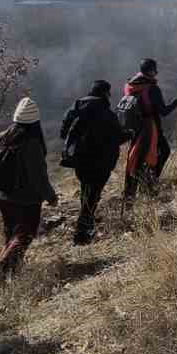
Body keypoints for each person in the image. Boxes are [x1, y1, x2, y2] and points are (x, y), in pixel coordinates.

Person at [0, 98, 59, 286]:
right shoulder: (31, 142)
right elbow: (38, 176)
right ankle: (0, 269)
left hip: (2, 195)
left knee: (11, 234)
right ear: (35, 122)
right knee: (25, 234)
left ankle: (11, 273)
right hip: (25, 198)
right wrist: (50, 196)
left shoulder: (2, 136)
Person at [61, 80, 124, 246]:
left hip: (79, 160)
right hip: (100, 162)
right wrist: (129, 133)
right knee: (93, 195)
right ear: (105, 93)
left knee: (86, 190)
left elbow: (63, 133)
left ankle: (86, 226)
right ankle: (82, 234)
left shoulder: (76, 108)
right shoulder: (106, 113)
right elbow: (118, 137)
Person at [124, 59, 177, 196]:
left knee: (137, 157)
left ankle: (132, 190)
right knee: (162, 152)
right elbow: (164, 111)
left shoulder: (130, 85)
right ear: (150, 71)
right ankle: (149, 184)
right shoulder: (152, 88)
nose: (156, 73)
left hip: (135, 128)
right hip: (150, 128)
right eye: (155, 70)